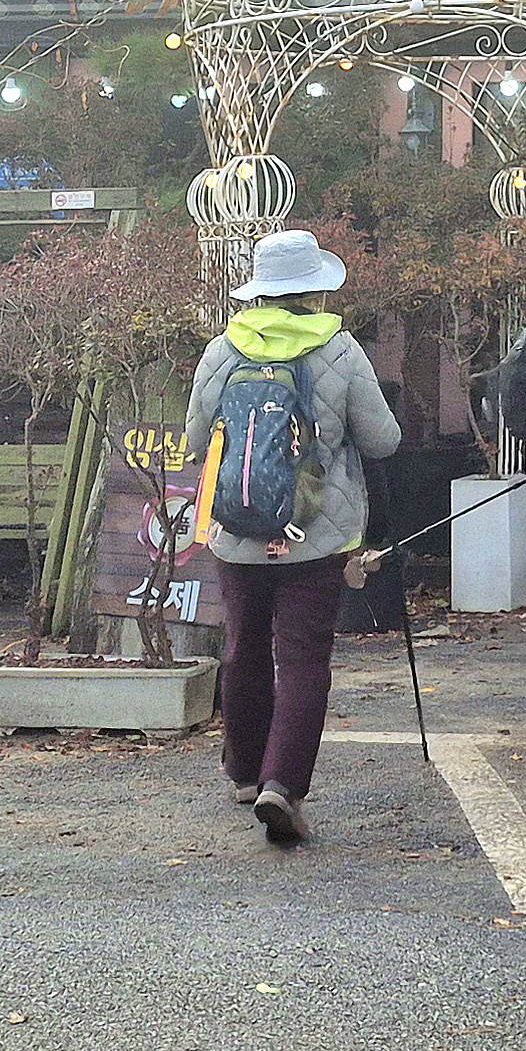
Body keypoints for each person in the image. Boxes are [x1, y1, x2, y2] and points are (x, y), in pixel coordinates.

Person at [183, 227, 399, 846]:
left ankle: (245, 771)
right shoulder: (341, 350)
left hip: (236, 530)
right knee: (303, 658)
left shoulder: (222, 349)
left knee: (243, 645)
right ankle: (283, 785)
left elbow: (195, 441)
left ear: (259, 291)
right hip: (315, 533)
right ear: (316, 291)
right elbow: (383, 441)